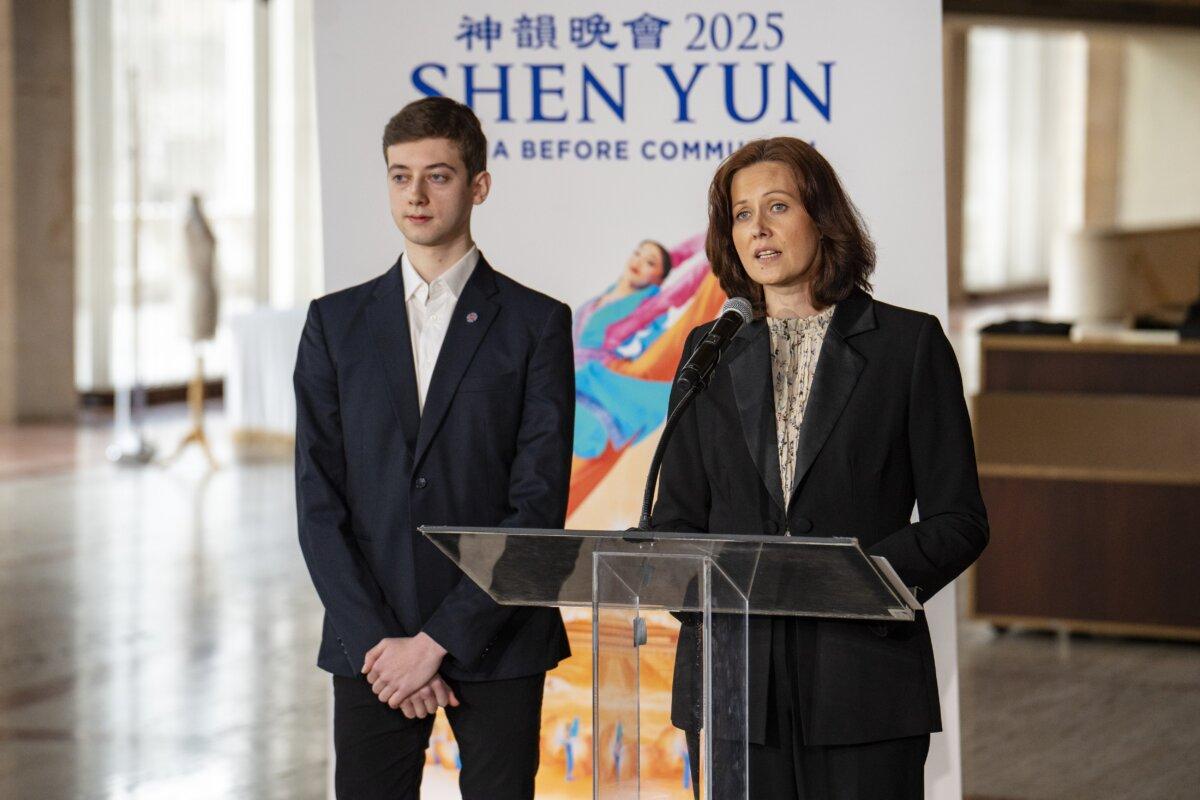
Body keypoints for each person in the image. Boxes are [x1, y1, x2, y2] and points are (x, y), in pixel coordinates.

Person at [651, 137, 989, 799]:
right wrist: (683, 585)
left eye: (777, 206)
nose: (758, 227)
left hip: (862, 681)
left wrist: (857, 582)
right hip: (735, 686)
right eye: (742, 214)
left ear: (822, 218)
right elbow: (676, 519)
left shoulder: (906, 345)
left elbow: (959, 520)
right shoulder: (708, 350)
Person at [294, 96, 574, 800]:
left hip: (497, 637)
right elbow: (317, 501)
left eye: (438, 175)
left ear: (479, 186)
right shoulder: (334, 324)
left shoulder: (537, 324)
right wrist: (382, 645)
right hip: (371, 646)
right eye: (400, 176)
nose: (415, 194)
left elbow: (537, 506)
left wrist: (436, 642)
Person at [572, 240, 674, 462]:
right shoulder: (597, 300)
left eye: (650, 262)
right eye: (637, 253)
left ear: (659, 279)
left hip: (596, 377)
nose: (639, 261)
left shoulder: (647, 308)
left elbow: (651, 344)